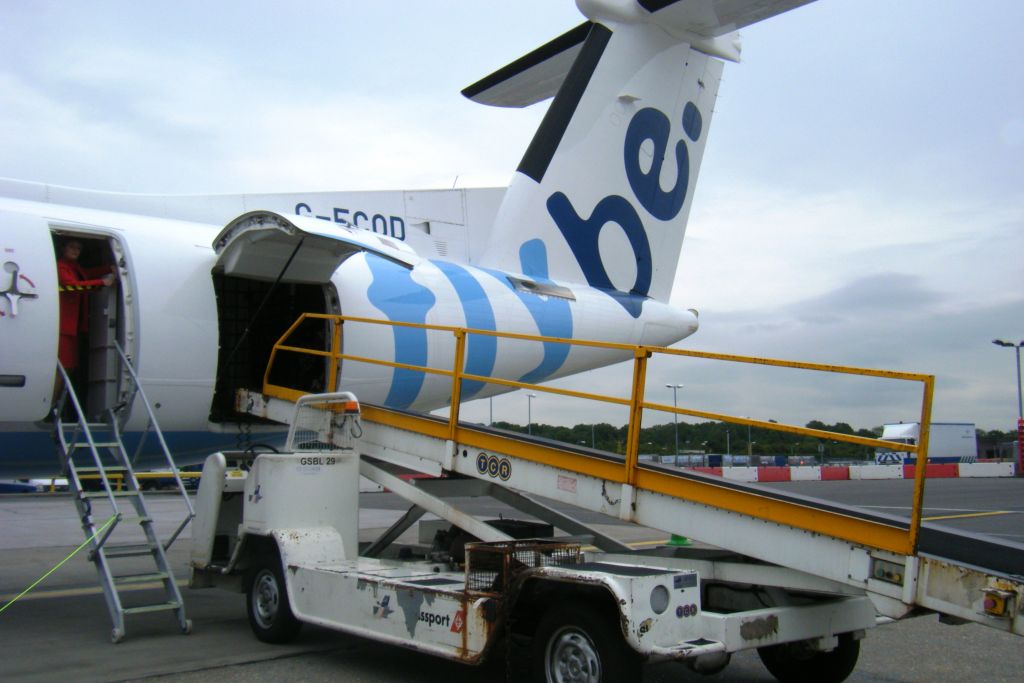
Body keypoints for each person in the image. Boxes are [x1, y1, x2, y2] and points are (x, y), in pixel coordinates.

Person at [55, 238, 116, 386]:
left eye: (78, 248)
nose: (75, 251)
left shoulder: (74, 267)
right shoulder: (61, 266)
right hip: (65, 327)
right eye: (71, 246)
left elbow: (86, 274)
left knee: (70, 367)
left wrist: (109, 269)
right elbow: (72, 284)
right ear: (63, 248)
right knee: (63, 367)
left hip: (73, 327)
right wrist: (101, 282)